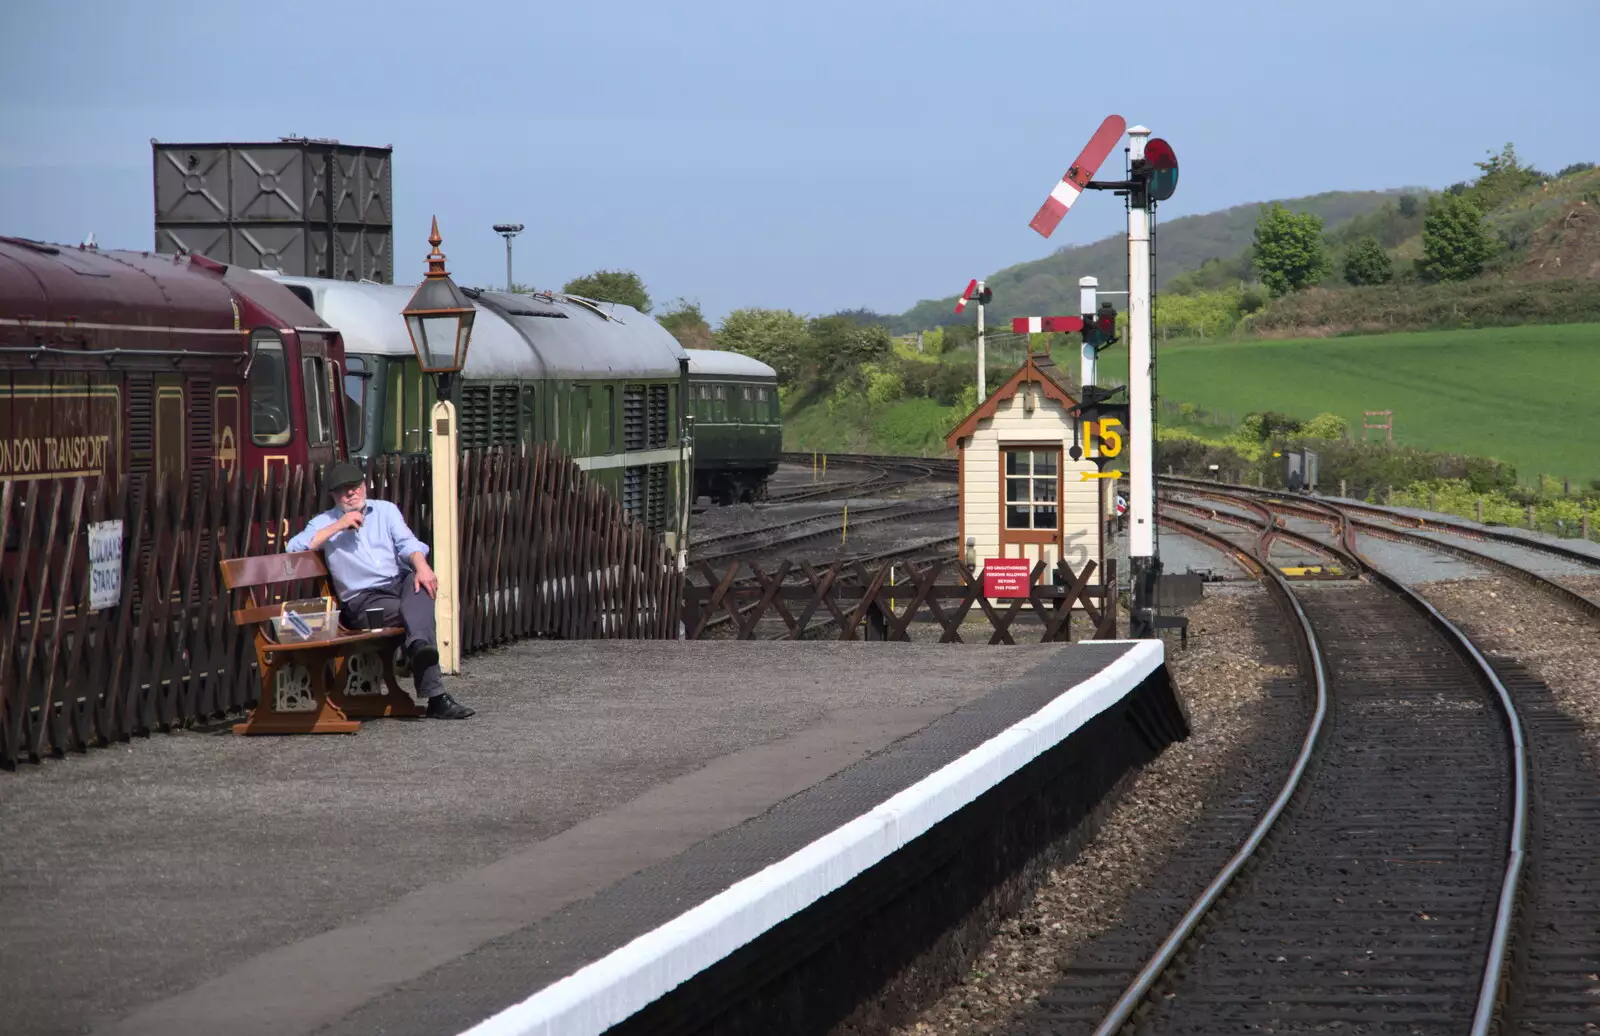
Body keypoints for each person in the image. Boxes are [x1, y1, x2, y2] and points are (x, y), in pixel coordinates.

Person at [286, 461, 475, 719]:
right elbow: (293, 549)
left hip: (398, 582)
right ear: (333, 496)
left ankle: (417, 646)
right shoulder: (323, 522)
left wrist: (422, 565)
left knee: (420, 586)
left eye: (354, 487)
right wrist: (338, 525)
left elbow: (407, 542)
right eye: (342, 490)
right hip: (365, 600)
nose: (350, 493)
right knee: (416, 612)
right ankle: (435, 695)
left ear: (364, 486)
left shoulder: (385, 511)